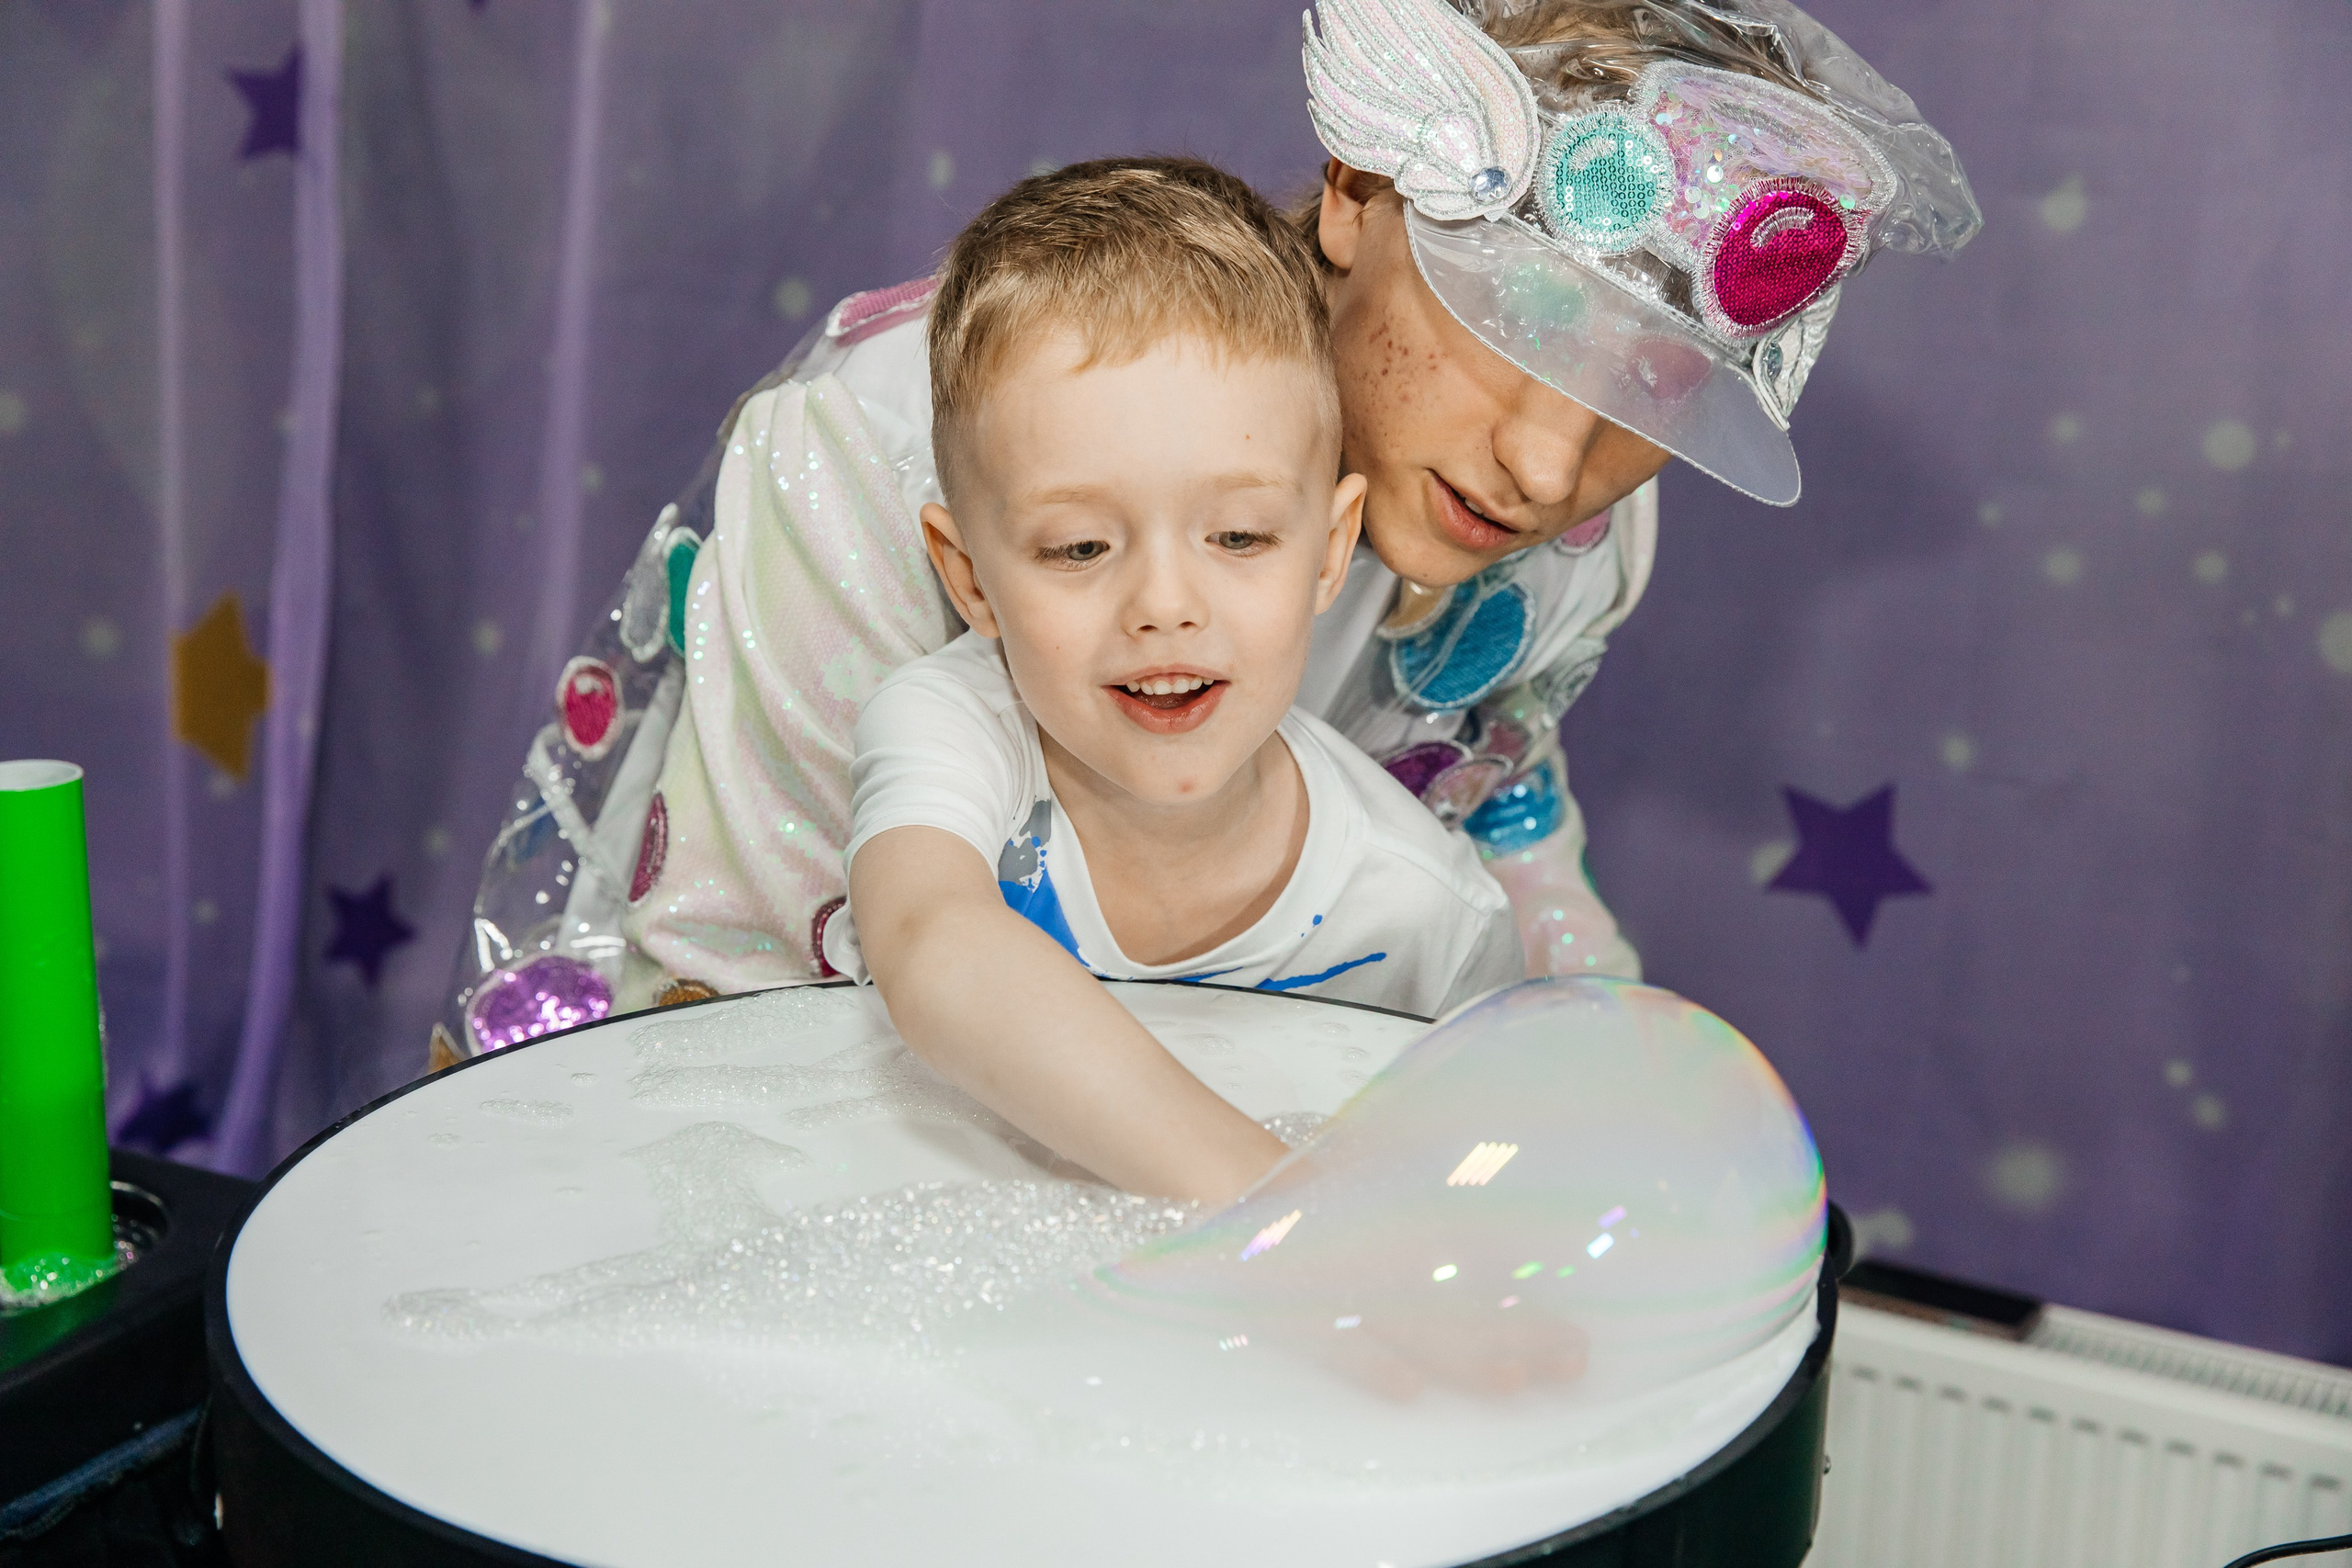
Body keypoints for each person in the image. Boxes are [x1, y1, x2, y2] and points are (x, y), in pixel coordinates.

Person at [432, 0, 1978, 1067]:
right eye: (1516, 332)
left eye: (1647, 389)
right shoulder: (888, 440)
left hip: (1185, 1081)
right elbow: (752, 968)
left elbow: (1485, 797)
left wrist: (1606, 1078)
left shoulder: (1575, 549)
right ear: (1362, 200)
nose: (1546, 461)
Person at [828, 162, 1524, 1203]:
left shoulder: (1424, 916)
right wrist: (1274, 1211)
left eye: (1238, 536)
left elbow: (1485, 1195)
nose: (1163, 605)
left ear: (1328, 550)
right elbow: (934, 944)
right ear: (969, 577)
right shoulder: (954, 731)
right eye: (1077, 548)